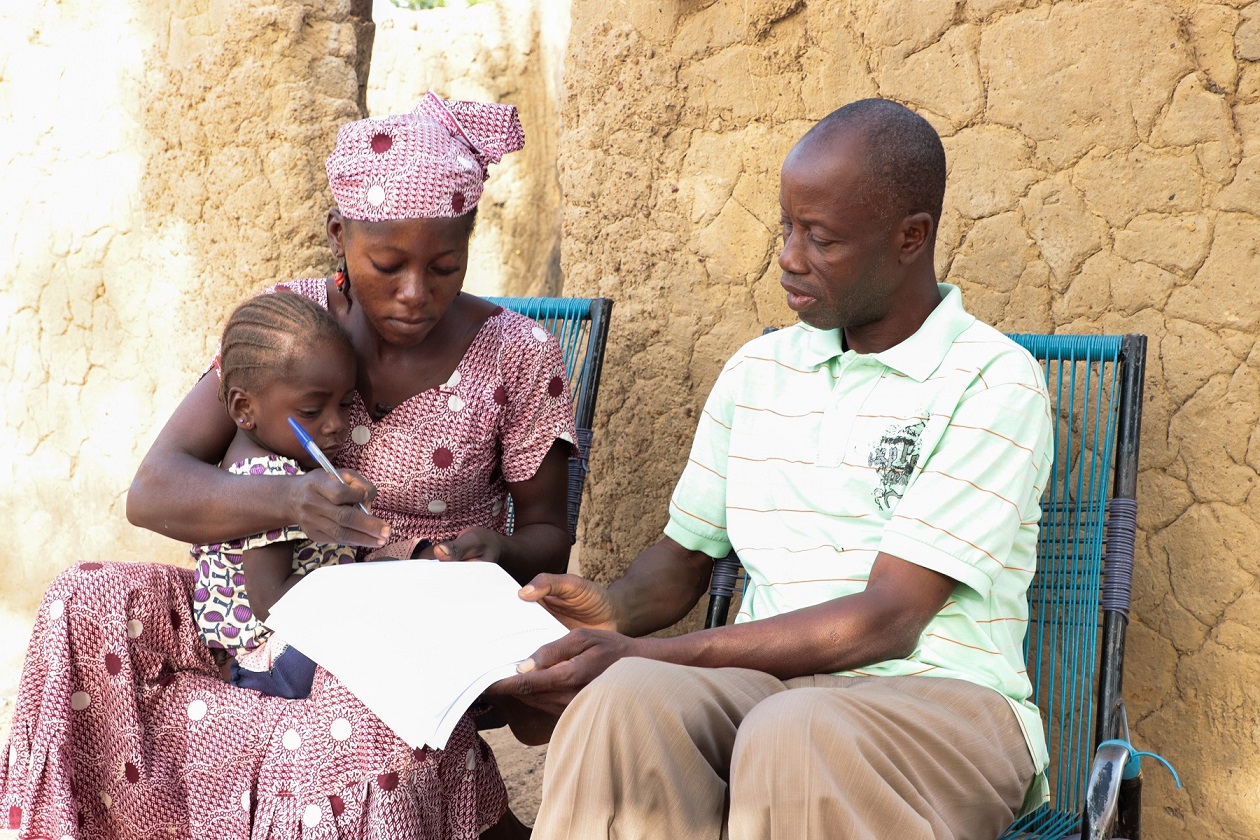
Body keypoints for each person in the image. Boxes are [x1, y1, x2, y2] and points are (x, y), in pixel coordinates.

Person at [1, 92, 575, 840]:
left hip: (408, 627)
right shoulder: (289, 325)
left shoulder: (518, 354)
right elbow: (153, 491)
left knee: (357, 709)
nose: (415, 293)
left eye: (444, 266)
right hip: (260, 606)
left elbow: (548, 534)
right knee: (85, 598)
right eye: (387, 265)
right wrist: (290, 503)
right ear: (339, 236)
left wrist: (497, 551)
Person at [491, 99, 1055, 840]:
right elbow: (685, 559)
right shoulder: (759, 371)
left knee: (793, 732)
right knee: (622, 701)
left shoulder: (990, 380)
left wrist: (650, 650)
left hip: (942, 704)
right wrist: (612, 613)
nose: (789, 256)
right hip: (770, 693)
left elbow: (890, 619)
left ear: (910, 237)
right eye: (787, 227)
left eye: (821, 237)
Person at [194, 291, 361, 699]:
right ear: (244, 408)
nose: (336, 424)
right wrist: (356, 605)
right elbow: (271, 601)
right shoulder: (268, 479)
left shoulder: (252, 466)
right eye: (311, 412)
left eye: (345, 404)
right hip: (272, 662)